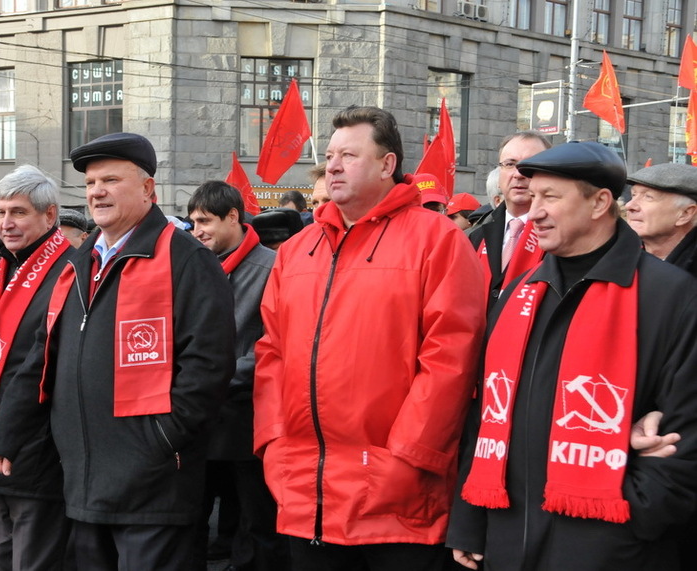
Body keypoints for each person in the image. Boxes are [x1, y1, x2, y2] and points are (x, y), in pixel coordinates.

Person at [0, 132, 236, 570]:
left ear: (147, 189)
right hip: (83, 480)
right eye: (90, 183)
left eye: (111, 179)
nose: (97, 191)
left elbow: (208, 365)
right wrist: (8, 432)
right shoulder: (81, 262)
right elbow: (45, 353)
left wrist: (160, 439)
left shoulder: (185, 258)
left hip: (152, 484)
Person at [254, 106, 486, 570]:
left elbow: (450, 360)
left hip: (394, 499)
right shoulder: (299, 249)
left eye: (350, 154)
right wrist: (273, 444)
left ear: (387, 165)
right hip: (304, 490)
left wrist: (404, 460)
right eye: (332, 153)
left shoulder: (436, 240)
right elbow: (271, 353)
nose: (334, 164)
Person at [447, 141, 697, 571]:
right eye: (532, 196)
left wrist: (630, 520)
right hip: (507, 539)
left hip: (611, 548)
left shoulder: (672, 295)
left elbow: (687, 434)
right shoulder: (516, 296)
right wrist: (470, 520)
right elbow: (487, 411)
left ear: (600, 202)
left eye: (551, 197)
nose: (533, 211)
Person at [0, 165, 76, 571]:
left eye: (19, 212)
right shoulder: (0, 268)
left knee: (31, 557)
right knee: (4, 555)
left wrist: (4, 437)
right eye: (1, 211)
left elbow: (42, 361)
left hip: (34, 444)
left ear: (49, 215)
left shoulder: (70, 270)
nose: (6, 223)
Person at [188, 180, 287, 571]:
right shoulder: (196, 265)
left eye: (205, 221)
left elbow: (275, 343)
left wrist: (211, 377)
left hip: (250, 418)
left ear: (234, 217)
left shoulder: (272, 267)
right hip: (200, 416)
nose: (197, 231)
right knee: (190, 517)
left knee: (257, 521)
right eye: (193, 222)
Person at [470, 132, 551, 310]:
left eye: (530, 165)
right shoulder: (474, 238)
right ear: (499, 176)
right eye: (510, 164)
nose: (518, 174)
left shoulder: (563, 239)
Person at [625, 162, 697, 278]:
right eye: (633, 195)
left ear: (685, 214)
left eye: (648, 197)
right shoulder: (615, 257)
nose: (630, 205)